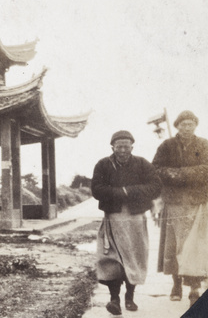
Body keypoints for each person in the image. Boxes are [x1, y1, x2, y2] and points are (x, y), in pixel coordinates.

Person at [91, 130, 161, 315]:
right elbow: (96, 189)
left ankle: (130, 297)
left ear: (132, 147)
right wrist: (118, 193)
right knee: (112, 259)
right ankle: (114, 299)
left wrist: (129, 191)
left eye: (126, 146)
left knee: (134, 257)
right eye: (119, 146)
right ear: (112, 147)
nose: (123, 150)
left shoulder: (142, 164)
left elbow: (155, 186)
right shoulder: (103, 164)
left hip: (135, 217)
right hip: (112, 217)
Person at [152, 110, 208, 307]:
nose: (187, 127)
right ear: (177, 126)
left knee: (196, 245)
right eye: (183, 124)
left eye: (191, 124)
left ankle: (194, 287)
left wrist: (182, 174)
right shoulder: (167, 146)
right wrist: (173, 176)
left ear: (195, 126)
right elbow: (156, 169)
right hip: (174, 202)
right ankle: (176, 284)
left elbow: (206, 169)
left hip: (197, 202)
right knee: (174, 244)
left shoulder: (203, 144)